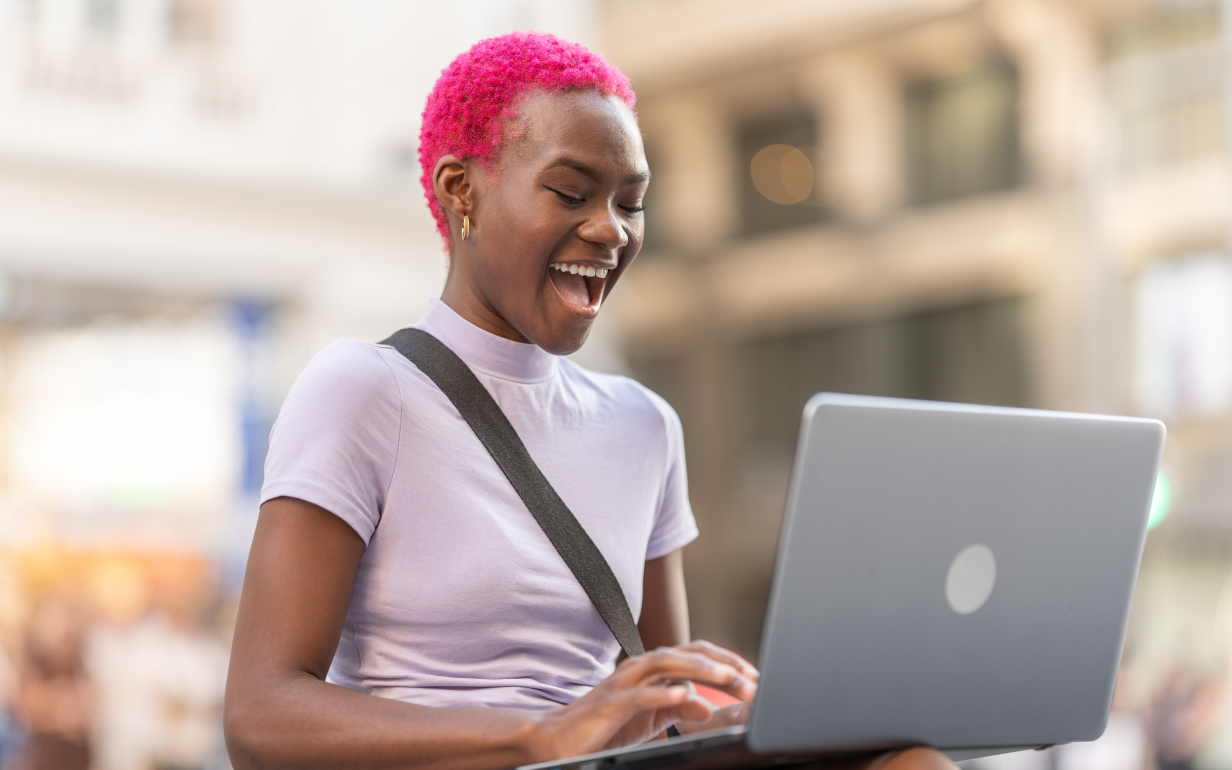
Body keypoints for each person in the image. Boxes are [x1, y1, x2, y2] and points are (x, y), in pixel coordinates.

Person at [223, 32, 956, 770]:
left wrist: (781, 715)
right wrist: (540, 736)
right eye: (571, 193)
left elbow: (672, 711)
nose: (610, 229)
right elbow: (260, 715)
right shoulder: (363, 389)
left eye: (631, 202)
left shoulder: (644, 424)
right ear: (461, 191)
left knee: (909, 761)